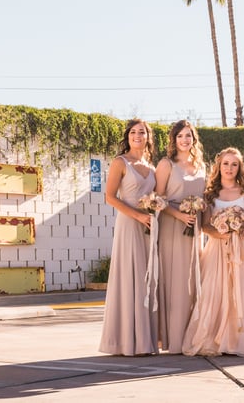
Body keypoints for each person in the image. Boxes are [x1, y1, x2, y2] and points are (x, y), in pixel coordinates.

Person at [182, 147, 244, 357]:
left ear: (239, 168)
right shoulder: (209, 195)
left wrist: (241, 234)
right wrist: (223, 234)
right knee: (215, 292)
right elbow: (206, 226)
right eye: (226, 164)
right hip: (218, 249)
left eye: (234, 164)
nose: (229, 168)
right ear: (219, 166)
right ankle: (216, 338)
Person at [99, 119, 159, 356]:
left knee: (147, 279)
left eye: (142, 132)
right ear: (128, 136)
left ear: (148, 137)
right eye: (133, 132)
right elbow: (110, 197)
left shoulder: (153, 168)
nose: (137, 135)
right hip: (129, 223)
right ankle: (124, 341)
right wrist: (137, 216)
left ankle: (144, 340)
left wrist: (153, 214)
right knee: (129, 278)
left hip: (149, 226)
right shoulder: (120, 162)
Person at [154, 119, 207, 354]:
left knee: (193, 281)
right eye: (180, 136)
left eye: (189, 136)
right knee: (175, 281)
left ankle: (191, 335)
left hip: (195, 228)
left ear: (194, 139)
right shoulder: (166, 165)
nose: (185, 140)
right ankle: (173, 338)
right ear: (173, 140)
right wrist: (179, 215)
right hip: (172, 226)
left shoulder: (202, 166)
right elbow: (158, 200)